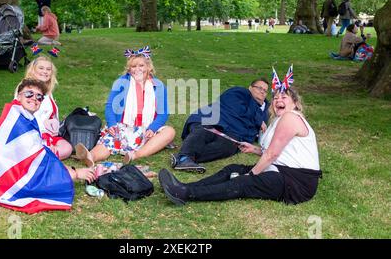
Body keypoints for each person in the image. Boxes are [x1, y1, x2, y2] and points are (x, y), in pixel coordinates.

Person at [159, 71, 322, 206]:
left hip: (297, 181)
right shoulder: (278, 119)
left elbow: (272, 155)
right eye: (276, 98)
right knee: (232, 169)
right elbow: (280, 151)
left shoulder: (291, 118)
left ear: (295, 103)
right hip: (282, 169)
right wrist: (255, 149)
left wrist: (251, 175)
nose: (278, 100)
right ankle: (183, 186)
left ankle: (185, 193)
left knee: (243, 183)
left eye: (284, 98)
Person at [0, 78, 95, 214]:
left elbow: (37, 152)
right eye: (29, 94)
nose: (34, 98)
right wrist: (74, 173)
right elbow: (39, 161)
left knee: (51, 155)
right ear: (18, 96)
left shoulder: (18, 114)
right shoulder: (17, 120)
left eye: (39, 97)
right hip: (1, 180)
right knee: (57, 183)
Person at [75, 46, 175, 166]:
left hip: (146, 129)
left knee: (169, 132)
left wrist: (153, 128)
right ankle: (91, 157)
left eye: (141, 66)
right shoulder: (121, 82)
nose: (137, 69)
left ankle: (135, 155)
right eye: (134, 66)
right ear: (129, 69)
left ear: (148, 67)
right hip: (123, 127)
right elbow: (110, 106)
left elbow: (163, 113)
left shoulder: (158, 86)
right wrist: (112, 124)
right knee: (108, 142)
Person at [170, 78, 270, 173]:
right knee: (204, 130)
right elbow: (233, 107)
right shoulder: (239, 92)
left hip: (233, 134)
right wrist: (258, 119)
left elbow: (256, 131)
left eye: (265, 91)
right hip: (215, 120)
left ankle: (185, 158)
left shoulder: (265, 111)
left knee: (229, 148)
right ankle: (184, 157)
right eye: (259, 88)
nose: (262, 92)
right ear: (250, 87)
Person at [16, 55, 73, 160]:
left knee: (67, 148)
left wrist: (55, 122)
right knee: (59, 149)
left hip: (48, 133)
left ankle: (44, 155)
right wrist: (44, 136)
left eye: (48, 69)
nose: (45, 71)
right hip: (31, 132)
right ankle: (40, 156)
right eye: (41, 68)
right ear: (33, 70)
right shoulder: (26, 88)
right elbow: (27, 116)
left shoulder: (46, 89)